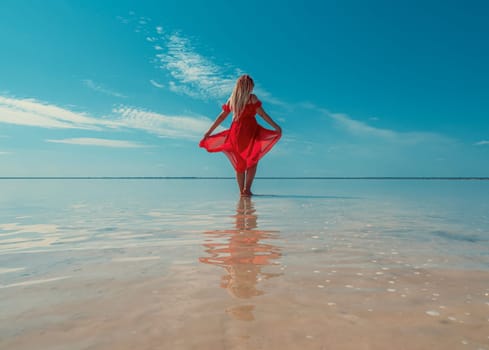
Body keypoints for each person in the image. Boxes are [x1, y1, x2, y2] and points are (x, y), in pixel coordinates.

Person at [199, 75, 282, 196]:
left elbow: (221, 117)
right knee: (252, 161)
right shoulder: (252, 98)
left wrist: (209, 131)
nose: (252, 89)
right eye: (251, 86)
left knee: (240, 163)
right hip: (251, 132)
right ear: (248, 86)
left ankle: (241, 192)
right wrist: (276, 127)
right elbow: (263, 115)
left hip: (236, 133)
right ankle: (247, 189)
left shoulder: (232, 100)